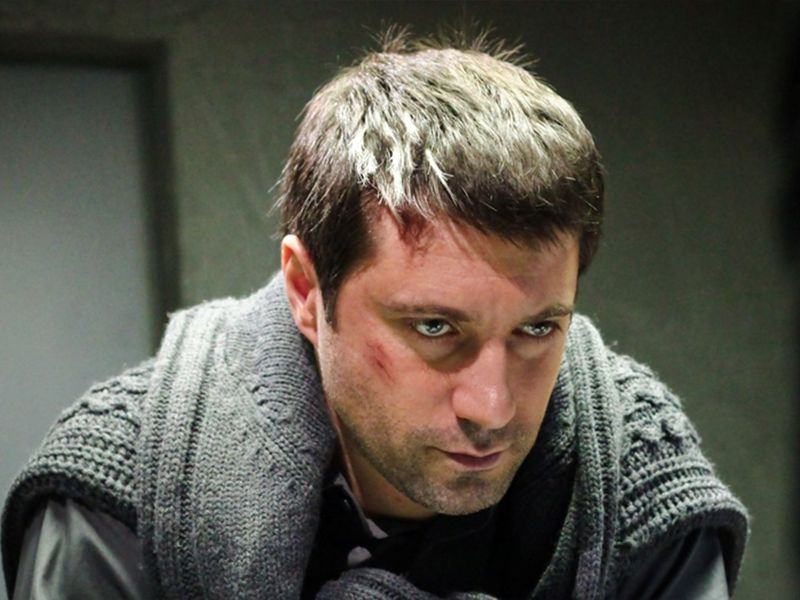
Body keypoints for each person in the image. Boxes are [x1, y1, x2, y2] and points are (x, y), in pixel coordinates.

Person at [2, 28, 748, 599]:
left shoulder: (639, 476)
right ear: (305, 290)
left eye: (537, 329)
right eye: (434, 328)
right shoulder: (122, 493)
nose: (492, 406)